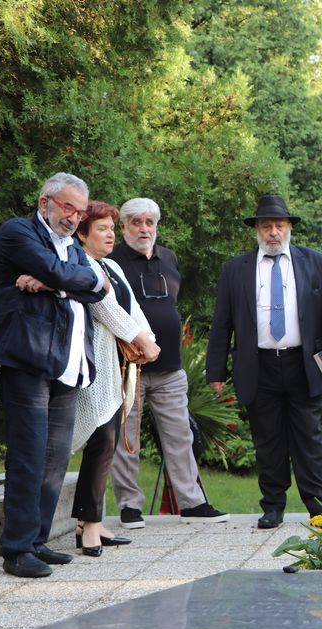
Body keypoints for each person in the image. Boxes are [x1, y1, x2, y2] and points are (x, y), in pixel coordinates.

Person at [0, 172, 107, 577]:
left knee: (54, 460)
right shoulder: (17, 232)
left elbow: (99, 286)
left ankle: (36, 540)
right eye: (67, 207)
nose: (74, 217)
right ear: (45, 204)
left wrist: (56, 284)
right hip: (27, 360)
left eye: (80, 211)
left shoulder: (73, 247)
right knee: (28, 456)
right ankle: (17, 550)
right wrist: (65, 280)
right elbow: (75, 278)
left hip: (68, 365)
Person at [206, 195, 322, 529]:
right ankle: (272, 506)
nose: (273, 232)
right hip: (259, 365)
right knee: (267, 439)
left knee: (309, 438)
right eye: (266, 226)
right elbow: (222, 323)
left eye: (279, 226)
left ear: (289, 228)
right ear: (257, 229)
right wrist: (216, 370)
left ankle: (318, 506)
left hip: (304, 363)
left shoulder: (314, 262)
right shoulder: (235, 270)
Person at [108, 198, 229, 528]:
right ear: (123, 226)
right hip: (127, 367)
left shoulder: (169, 258)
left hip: (170, 369)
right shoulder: (111, 261)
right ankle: (130, 507)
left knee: (180, 436)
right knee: (126, 439)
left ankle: (192, 502)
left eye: (149, 222)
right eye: (136, 222)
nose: (144, 228)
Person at [69, 201, 160, 555]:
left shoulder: (112, 266)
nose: (110, 234)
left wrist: (148, 339)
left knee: (105, 444)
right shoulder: (82, 266)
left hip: (115, 369)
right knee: (102, 440)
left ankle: (90, 522)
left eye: (111, 228)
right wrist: (141, 342)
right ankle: (89, 525)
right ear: (82, 234)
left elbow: (132, 307)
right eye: (102, 229)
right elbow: (105, 309)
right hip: (92, 369)